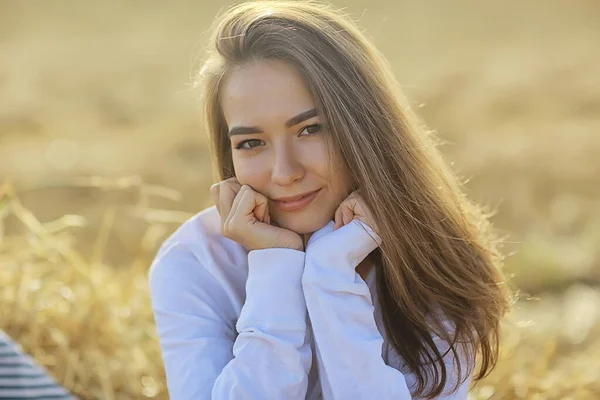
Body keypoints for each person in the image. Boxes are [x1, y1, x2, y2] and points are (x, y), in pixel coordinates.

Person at [149, 1, 513, 399]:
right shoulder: (196, 263)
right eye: (251, 143)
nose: (284, 172)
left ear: (363, 125)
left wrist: (331, 276)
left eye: (311, 130)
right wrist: (276, 268)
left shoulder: (432, 258)